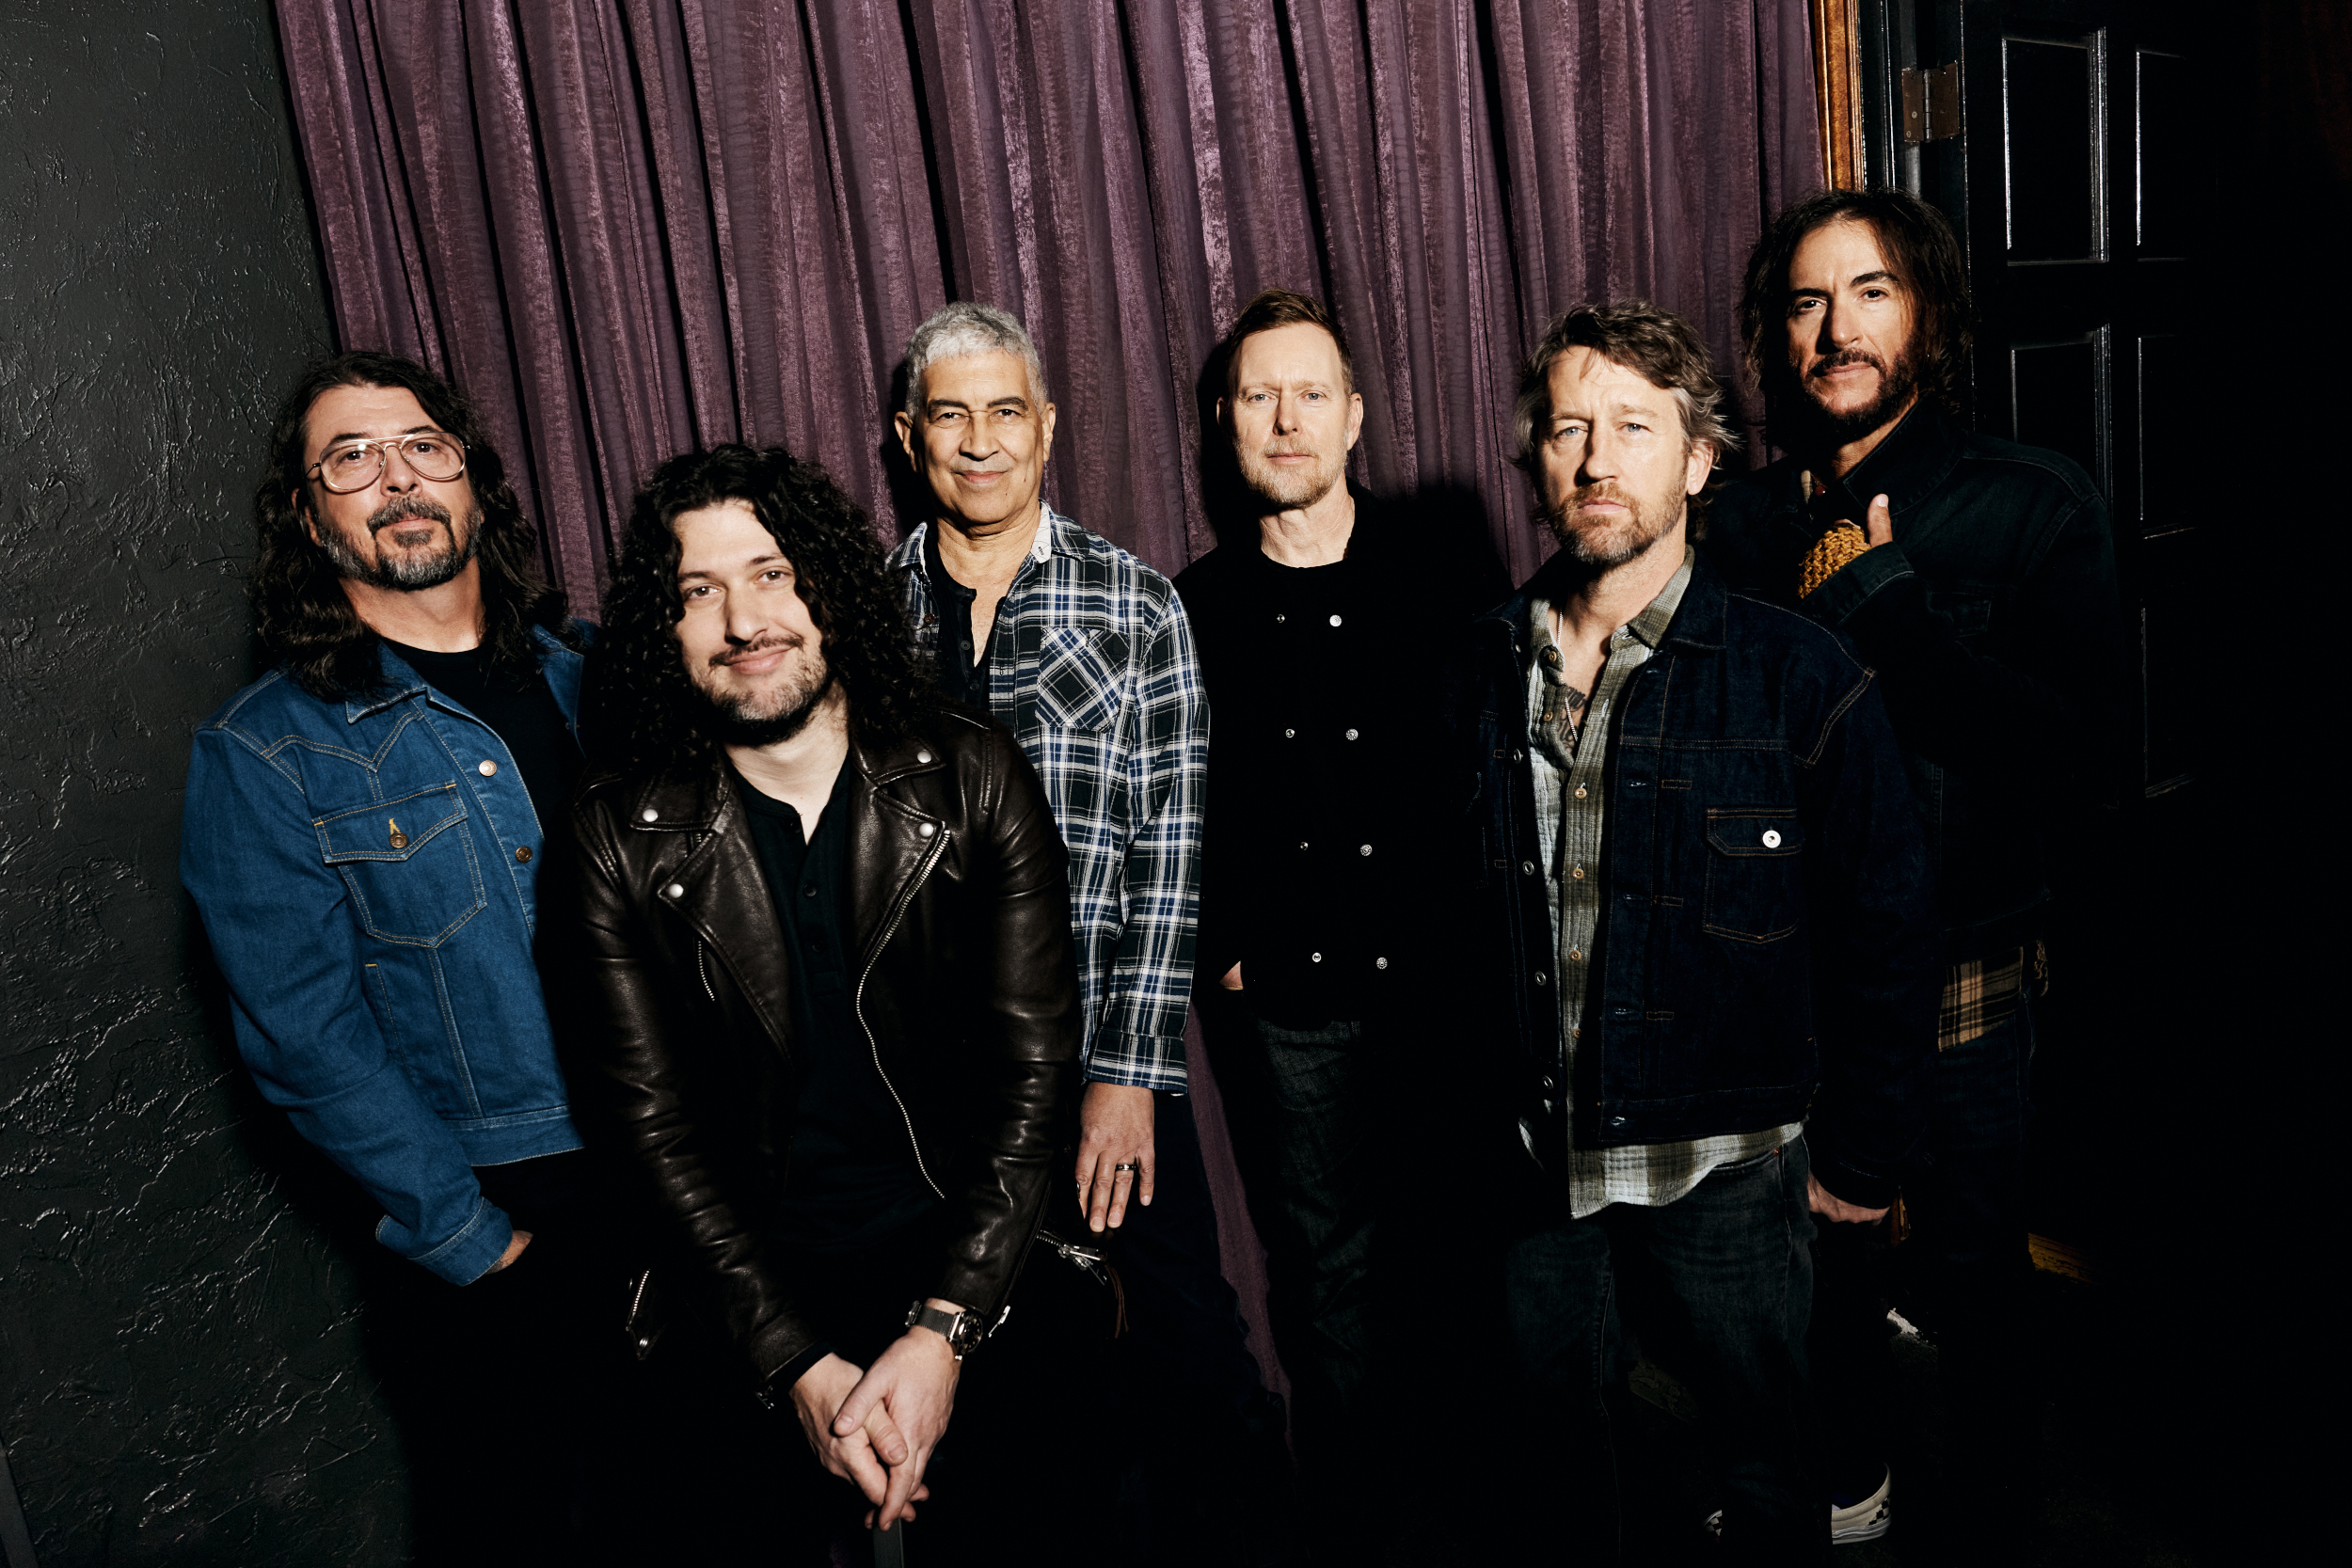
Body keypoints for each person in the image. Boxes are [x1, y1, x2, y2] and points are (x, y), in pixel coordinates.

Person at [1450, 301, 1940, 1564]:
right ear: (1535, 460)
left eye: (1633, 427)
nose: (1596, 460)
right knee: (1563, 1469)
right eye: (1569, 429)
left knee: (1770, 1462)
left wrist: (1862, 1159)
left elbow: (1886, 929)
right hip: (1535, 1164)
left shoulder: (1796, 673)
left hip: (1727, 1165)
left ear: (1699, 460)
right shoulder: (1476, 668)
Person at [566, 442, 1088, 1565]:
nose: (743, 620)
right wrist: (794, 1363)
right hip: (749, 1282)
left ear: (832, 591)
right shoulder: (614, 836)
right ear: (664, 629)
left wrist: (943, 1328)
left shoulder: (973, 772)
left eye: (772, 573)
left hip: (969, 1241)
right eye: (698, 591)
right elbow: (647, 1134)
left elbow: (1035, 1075)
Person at [1708, 188, 2126, 1544]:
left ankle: (1998, 1513)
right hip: (1787, 972)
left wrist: (1892, 618)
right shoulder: (1735, 524)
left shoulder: (2030, 500)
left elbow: (2080, 753)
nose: (1836, 328)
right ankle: (1850, 1487)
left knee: (1971, 1260)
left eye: (1871, 292)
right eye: (1806, 301)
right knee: (1806, 1260)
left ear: (1928, 316)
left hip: (1962, 965)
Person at [179, 351, 602, 1563]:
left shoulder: (592, 677)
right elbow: (306, 1040)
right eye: (351, 458)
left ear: (473, 482)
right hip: (507, 1218)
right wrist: (479, 1245)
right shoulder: (266, 751)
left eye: (423, 446)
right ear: (308, 516)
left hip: (678, 1179)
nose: (397, 478)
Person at [883, 303, 1284, 1544]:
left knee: (1187, 1347)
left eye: (1006, 411)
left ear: (1047, 428)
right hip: (931, 1082)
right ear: (909, 435)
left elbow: (1171, 852)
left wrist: (1128, 1074)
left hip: (1090, 1057)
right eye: (952, 415)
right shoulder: (863, 615)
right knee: (1011, 1386)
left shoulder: (1135, 603)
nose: (981, 441)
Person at [1171, 287, 1506, 1544]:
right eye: (1259, 395)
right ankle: (1369, 1529)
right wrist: (1223, 952)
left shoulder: (1446, 577)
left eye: (1310, 392)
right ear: (1227, 422)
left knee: (1464, 1258)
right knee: (1326, 1282)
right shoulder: (1191, 608)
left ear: (1354, 415)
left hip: (1443, 994)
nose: (1286, 418)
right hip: (1290, 1013)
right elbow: (1167, 803)